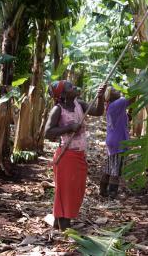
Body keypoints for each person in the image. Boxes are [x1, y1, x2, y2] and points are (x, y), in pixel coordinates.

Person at [44, 80, 106, 231]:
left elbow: (98, 112)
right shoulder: (58, 110)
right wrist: (69, 128)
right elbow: (47, 132)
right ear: (64, 94)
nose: (74, 87)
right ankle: (65, 227)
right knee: (66, 192)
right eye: (70, 87)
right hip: (66, 156)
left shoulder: (80, 104)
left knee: (76, 190)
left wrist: (101, 96)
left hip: (79, 156)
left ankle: (59, 224)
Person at [100, 86, 133, 199]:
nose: (117, 90)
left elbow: (126, 117)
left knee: (109, 167)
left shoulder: (111, 106)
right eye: (113, 90)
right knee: (116, 169)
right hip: (118, 141)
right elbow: (132, 98)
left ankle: (102, 190)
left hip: (112, 140)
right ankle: (112, 194)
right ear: (110, 96)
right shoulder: (119, 103)